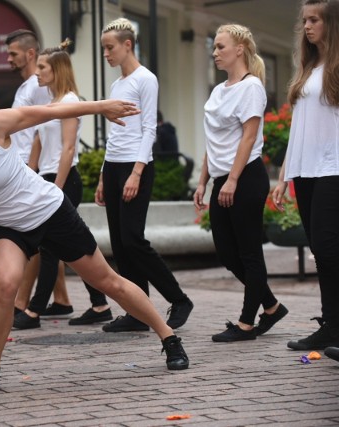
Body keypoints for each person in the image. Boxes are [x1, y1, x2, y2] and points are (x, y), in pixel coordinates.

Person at [0, 70, 190, 394]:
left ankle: (169, 337)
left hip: (48, 210)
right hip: (6, 225)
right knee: (6, 285)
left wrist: (102, 106)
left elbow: (52, 111)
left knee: (107, 281)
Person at [95, 18, 193, 333]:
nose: (106, 54)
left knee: (133, 240)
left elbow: (149, 128)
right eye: (103, 49)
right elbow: (115, 134)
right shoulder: (115, 85)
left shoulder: (145, 79)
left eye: (110, 48)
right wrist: (102, 175)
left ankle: (179, 300)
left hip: (136, 166)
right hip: (114, 166)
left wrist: (136, 173)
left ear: (127, 44)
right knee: (120, 245)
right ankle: (138, 313)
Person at [194, 24, 288, 342]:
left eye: (220, 47)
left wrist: (232, 180)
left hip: (245, 177)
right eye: (214, 47)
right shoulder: (218, 91)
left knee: (249, 252)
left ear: (239, 50)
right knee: (226, 253)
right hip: (222, 178)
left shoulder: (251, 88)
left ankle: (247, 322)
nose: (215, 52)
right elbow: (213, 142)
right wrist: (203, 181)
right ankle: (271, 306)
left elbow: (249, 137)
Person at [13, 39, 111, 330]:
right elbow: (39, 142)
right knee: (68, 246)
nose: (37, 73)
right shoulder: (51, 103)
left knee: (50, 248)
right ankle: (100, 304)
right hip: (47, 178)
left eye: (42, 67)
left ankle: (33, 311)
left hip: (64, 180)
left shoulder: (70, 101)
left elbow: (69, 148)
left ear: (56, 70)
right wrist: (30, 176)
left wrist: (57, 185)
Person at [274, 0, 339, 351]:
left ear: (332, 22)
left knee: (330, 249)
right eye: (305, 20)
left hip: (334, 168)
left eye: (315, 19)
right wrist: (285, 176)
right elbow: (300, 129)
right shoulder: (310, 69)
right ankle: (332, 327)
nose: (308, 26)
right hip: (307, 170)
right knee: (320, 250)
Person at [5, 29, 72, 315]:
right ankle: (62, 299)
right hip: (30, 168)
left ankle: (22, 303)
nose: (8, 59)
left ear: (30, 54)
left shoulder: (39, 85)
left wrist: (30, 169)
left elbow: (44, 133)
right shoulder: (25, 88)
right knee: (48, 241)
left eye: (13, 53)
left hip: (34, 170)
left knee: (33, 238)